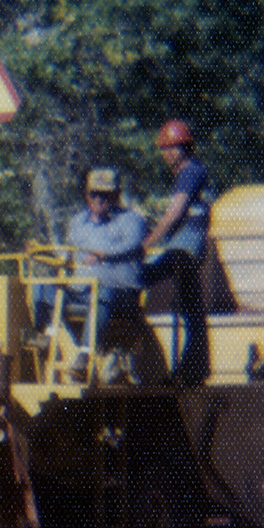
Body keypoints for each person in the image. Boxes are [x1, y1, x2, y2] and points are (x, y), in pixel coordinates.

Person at [139, 118, 213, 385]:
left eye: (175, 147)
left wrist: (145, 244)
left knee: (142, 277)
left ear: (187, 147)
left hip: (185, 247)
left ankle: (191, 371)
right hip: (185, 245)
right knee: (191, 308)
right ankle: (192, 370)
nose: (169, 152)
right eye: (165, 147)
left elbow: (174, 214)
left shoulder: (189, 172)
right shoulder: (191, 171)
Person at [34, 168, 146, 341]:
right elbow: (71, 255)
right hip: (83, 290)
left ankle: (86, 354)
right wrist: (42, 252)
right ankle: (47, 338)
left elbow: (131, 247)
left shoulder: (132, 220)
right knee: (41, 288)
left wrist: (102, 255)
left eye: (105, 194)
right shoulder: (79, 222)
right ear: (86, 195)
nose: (98, 199)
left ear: (116, 195)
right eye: (94, 194)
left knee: (102, 294)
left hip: (120, 294)